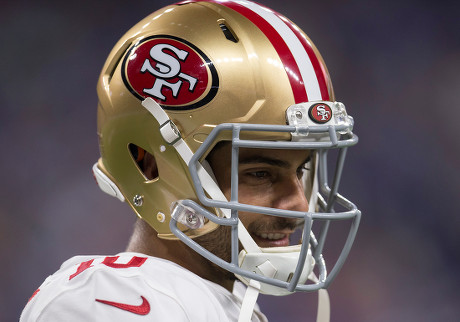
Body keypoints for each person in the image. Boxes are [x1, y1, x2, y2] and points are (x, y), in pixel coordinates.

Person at [20, 1, 361, 321]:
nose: (299, 205)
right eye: (260, 173)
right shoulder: (109, 303)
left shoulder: (217, 304)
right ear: (150, 164)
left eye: (301, 169)